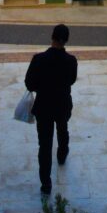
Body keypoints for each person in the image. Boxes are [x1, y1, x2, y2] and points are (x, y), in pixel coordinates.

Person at [24, 23, 78, 195]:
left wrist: (42, 86)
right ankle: (62, 154)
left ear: (52, 37)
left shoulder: (38, 59)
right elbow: (71, 81)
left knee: (44, 145)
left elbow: (29, 84)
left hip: (44, 106)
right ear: (66, 40)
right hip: (62, 104)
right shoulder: (71, 61)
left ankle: (46, 183)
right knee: (63, 129)